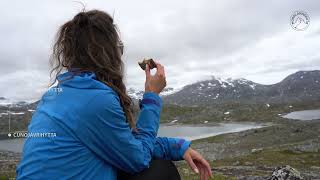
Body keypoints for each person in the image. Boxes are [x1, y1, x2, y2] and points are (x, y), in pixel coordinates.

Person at [16, 10, 212, 180]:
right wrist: (151, 96)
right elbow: (138, 158)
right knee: (159, 170)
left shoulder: (55, 95)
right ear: (107, 54)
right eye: (119, 49)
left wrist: (177, 147)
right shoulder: (95, 100)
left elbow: (124, 142)